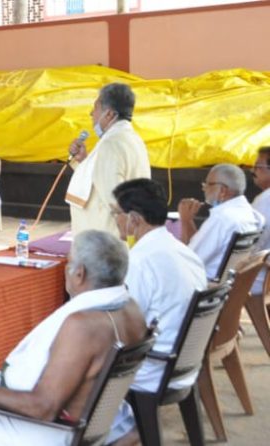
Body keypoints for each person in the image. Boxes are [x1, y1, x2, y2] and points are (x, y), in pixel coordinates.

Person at [0, 230, 148, 445]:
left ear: (79, 274)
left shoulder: (83, 326)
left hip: (56, 432)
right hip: (98, 422)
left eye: (69, 263)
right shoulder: (132, 310)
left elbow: (43, 407)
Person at [106, 178, 208, 444]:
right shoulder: (183, 251)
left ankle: (122, 433)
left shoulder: (141, 261)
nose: (115, 220)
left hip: (153, 369)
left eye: (116, 213)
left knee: (77, 365)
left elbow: (125, 328)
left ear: (134, 219)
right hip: (185, 363)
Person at [65, 83, 151, 237]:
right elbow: (101, 176)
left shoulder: (110, 143)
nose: (92, 113)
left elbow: (113, 193)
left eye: (96, 108)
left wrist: (123, 220)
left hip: (106, 236)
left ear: (109, 114)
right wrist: (83, 160)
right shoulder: (132, 138)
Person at [179, 163, 264, 280]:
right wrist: (188, 220)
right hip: (231, 285)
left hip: (206, 286)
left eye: (208, 184)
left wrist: (184, 220)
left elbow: (188, 260)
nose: (204, 188)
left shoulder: (222, 218)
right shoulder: (253, 215)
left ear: (222, 190)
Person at [250, 146, 270, 294]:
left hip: (260, 277)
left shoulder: (265, 199)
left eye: (258, 166)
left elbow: (254, 242)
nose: (253, 171)